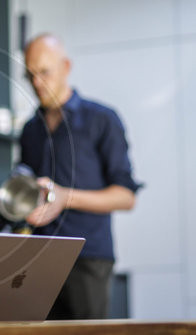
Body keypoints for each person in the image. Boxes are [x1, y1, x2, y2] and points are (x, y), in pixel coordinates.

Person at [20, 33, 140, 319]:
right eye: (30, 75)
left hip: (88, 258)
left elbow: (126, 197)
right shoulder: (30, 130)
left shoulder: (102, 119)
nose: (37, 83)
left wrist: (65, 198)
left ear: (66, 67)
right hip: (39, 260)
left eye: (44, 72)